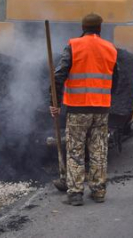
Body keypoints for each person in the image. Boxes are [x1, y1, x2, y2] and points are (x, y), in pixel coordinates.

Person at [50, 13, 119, 206]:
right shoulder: (110, 48)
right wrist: (105, 96)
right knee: (98, 150)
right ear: (100, 28)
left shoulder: (74, 46)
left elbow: (58, 76)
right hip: (102, 109)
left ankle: (75, 193)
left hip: (77, 109)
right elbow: (116, 78)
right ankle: (98, 192)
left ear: (83, 28)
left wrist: (54, 103)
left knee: (75, 151)